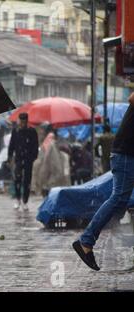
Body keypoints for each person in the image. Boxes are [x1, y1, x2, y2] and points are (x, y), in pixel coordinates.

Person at [73, 92, 134, 271]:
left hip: (127, 154)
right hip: (125, 155)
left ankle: (114, 234)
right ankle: (86, 241)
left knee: (120, 201)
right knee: (118, 198)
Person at [8, 113, 39, 210]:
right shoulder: (16, 131)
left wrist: (33, 157)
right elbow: (12, 145)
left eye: (24, 122)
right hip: (18, 159)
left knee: (27, 181)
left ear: (26, 121)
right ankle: (17, 199)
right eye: (21, 121)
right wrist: (9, 157)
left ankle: (25, 201)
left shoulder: (32, 131)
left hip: (28, 160)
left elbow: (35, 145)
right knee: (17, 179)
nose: (22, 124)